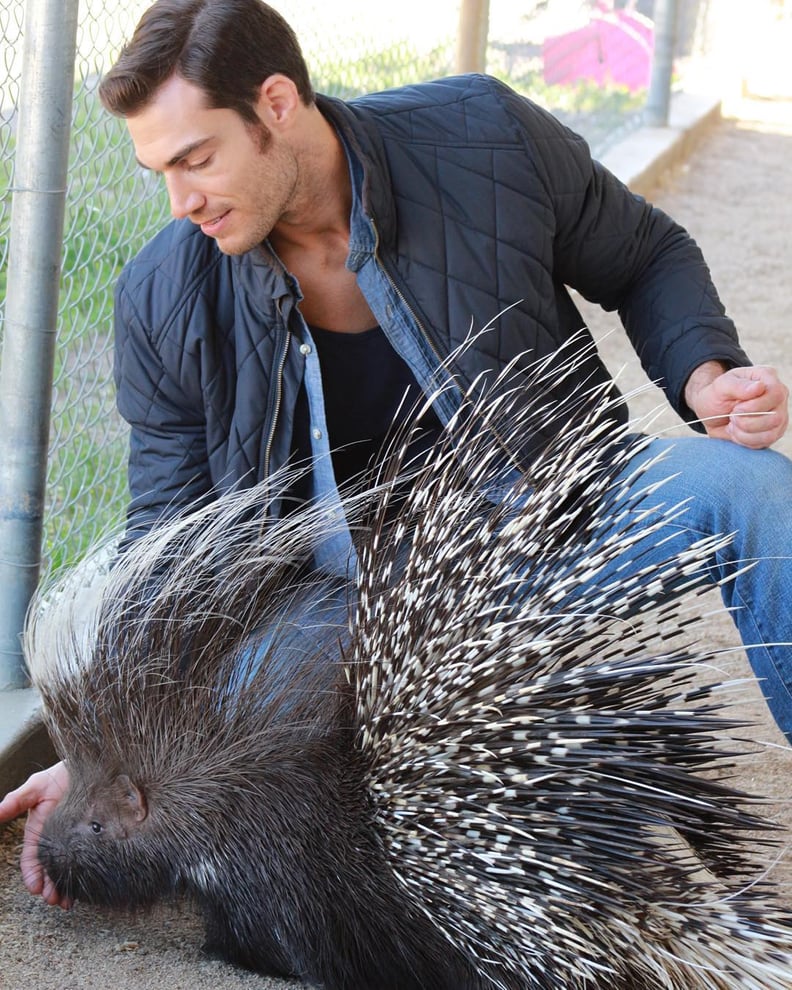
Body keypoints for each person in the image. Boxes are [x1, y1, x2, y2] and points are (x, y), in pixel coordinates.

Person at [1, 0, 790, 910]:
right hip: (338, 614)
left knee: (752, 490)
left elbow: (647, 253)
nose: (182, 202)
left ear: (277, 103)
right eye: (160, 171)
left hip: (549, 522)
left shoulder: (485, 135)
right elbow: (166, 542)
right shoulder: (161, 295)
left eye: (196, 158)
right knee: (247, 757)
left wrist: (705, 375)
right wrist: (110, 757)